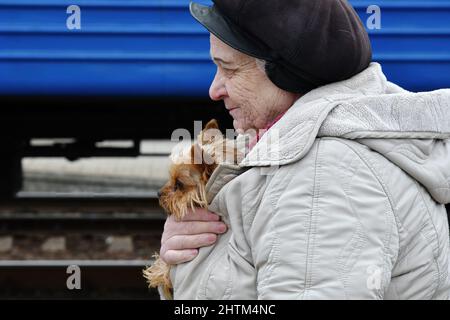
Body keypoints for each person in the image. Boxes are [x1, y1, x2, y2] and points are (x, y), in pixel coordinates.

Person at [158, 0, 450, 299]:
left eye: (229, 70)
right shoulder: (296, 161)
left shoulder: (323, 176)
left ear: (287, 74)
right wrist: (187, 263)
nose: (214, 89)